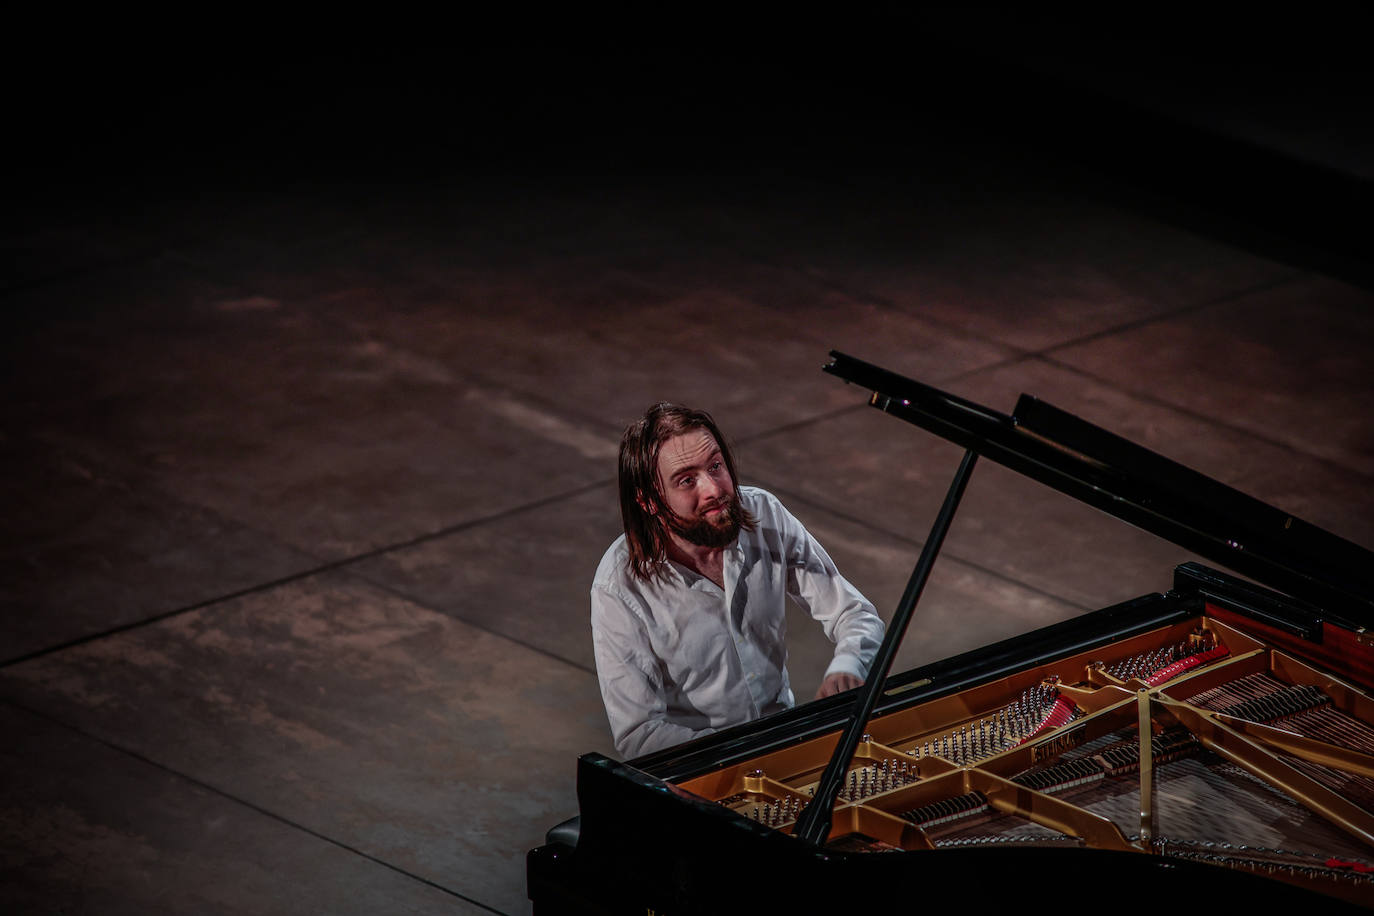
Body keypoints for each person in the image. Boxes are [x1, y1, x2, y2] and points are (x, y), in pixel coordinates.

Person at [591, 402, 885, 758]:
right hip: (702, 772)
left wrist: (847, 667)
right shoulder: (618, 586)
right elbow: (640, 734)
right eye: (687, 480)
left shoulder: (765, 515)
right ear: (649, 500)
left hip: (786, 744)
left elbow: (855, 614)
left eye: (715, 466)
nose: (713, 489)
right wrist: (735, 758)